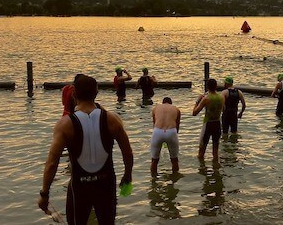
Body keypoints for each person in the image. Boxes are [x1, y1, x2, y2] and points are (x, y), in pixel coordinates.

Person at [38, 75, 134, 225]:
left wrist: (44, 194)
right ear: (96, 92)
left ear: (74, 94)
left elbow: (52, 162)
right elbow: (127, 152)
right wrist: (127, 175)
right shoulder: (112, 119)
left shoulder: (64, 124)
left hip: (79, 188)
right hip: (106, 185)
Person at [193, 79, 225, 162]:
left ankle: (202, 170)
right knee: (215, 152)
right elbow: (223, 109)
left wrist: (198, 100)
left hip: (208, 124)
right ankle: (216, 170)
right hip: (217, 124)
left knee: (201, 152)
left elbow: (194, 112)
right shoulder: (221, 97)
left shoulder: (206, 99)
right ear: (216, 86)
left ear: (207, 87)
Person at [151, 97, 181, 175]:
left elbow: (154, 124)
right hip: (171, 131)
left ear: (162, 103)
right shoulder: (176, 109)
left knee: (154, 160)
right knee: (174, 160)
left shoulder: (156, 108)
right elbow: (177, 125)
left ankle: (153, 181)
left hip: (158, 131)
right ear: (171, 103)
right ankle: (175, 179)